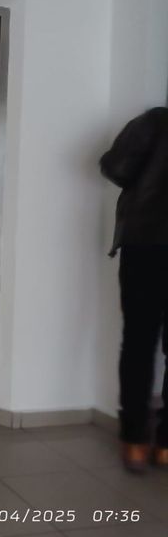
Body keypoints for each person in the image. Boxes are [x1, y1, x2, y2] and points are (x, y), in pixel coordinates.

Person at [100, 106, 168, 472]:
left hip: (146, 244)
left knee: (139, 343)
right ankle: (166, 446)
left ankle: (135, 442)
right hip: (146, 244)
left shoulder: (155, 120)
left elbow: (115, 168)